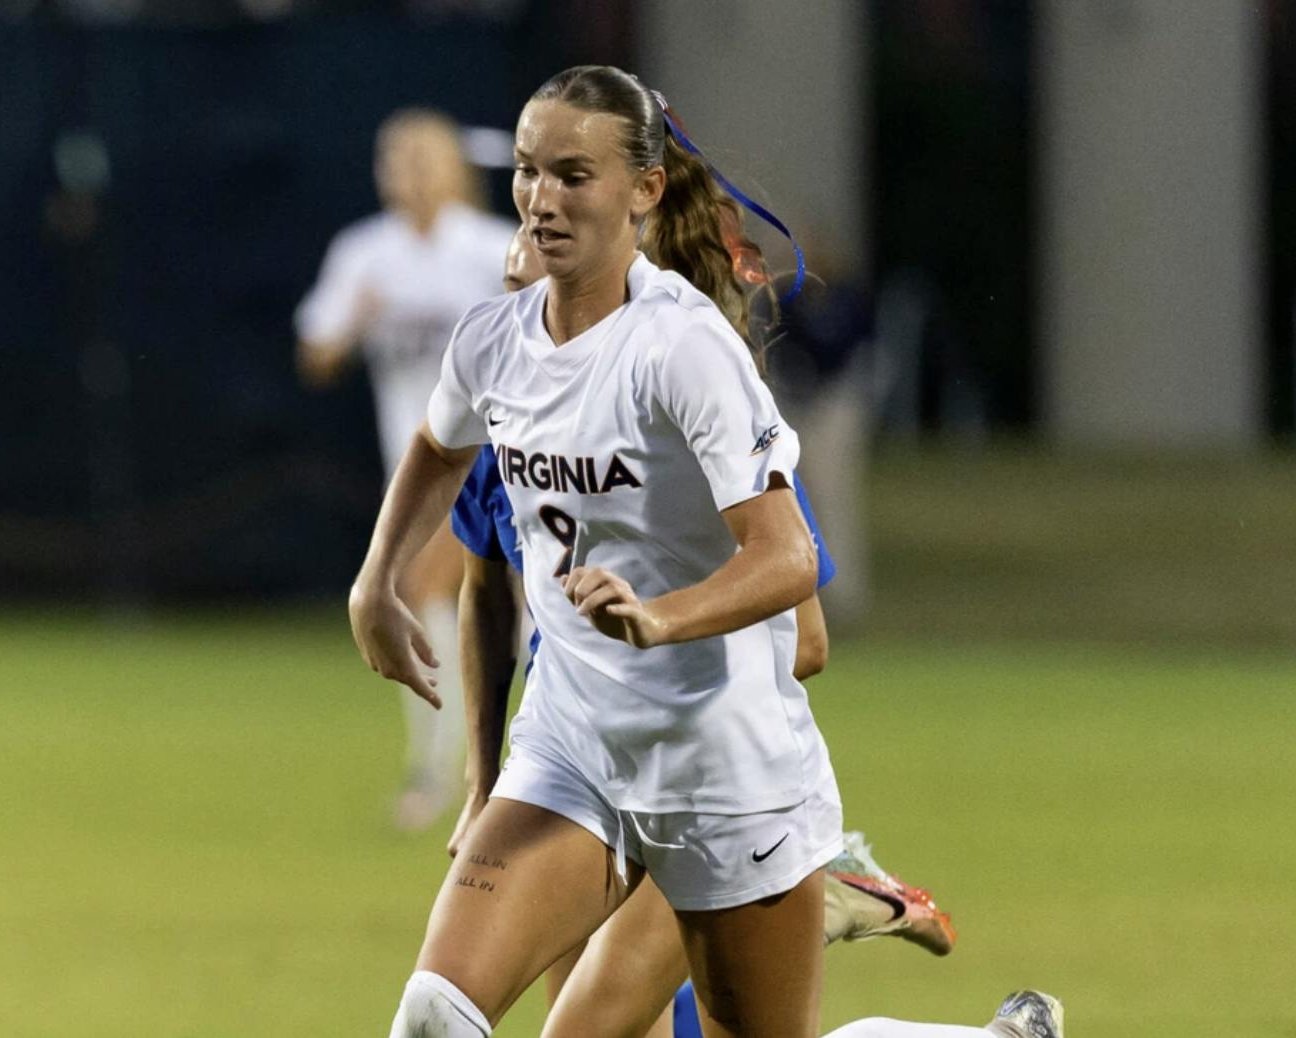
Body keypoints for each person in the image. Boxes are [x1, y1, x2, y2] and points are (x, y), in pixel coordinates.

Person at [349, 66, 1059, 1038]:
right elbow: (447, 478)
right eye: (525, 173)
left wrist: (660, 619)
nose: (539, 203)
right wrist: (377, 580)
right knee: (435, 1019)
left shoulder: (686, 353)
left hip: (723, 770)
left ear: (642, 191)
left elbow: (794, 585)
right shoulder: (494, 345)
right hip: (571, 752)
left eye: (571, 174)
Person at [447, 229, 955, 1038]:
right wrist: (481, 786)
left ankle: (822, 884)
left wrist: (665, 638)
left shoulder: (691, 425)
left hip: (694, 780)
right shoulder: (503, 432)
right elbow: (485, 600)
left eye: (539, 282)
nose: (523, 307)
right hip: (571, 767)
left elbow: (807, 636)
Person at [296, 108, 516, 830]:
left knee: (426, 594)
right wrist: (356, 321)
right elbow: (317, 355)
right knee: (446, 605)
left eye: (423, 158)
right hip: (417, 469)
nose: (408, 174)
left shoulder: (490, 248)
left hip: (501, 457)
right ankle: (463, 767)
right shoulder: (366, 252)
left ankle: (452, 772)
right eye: (395, 160)